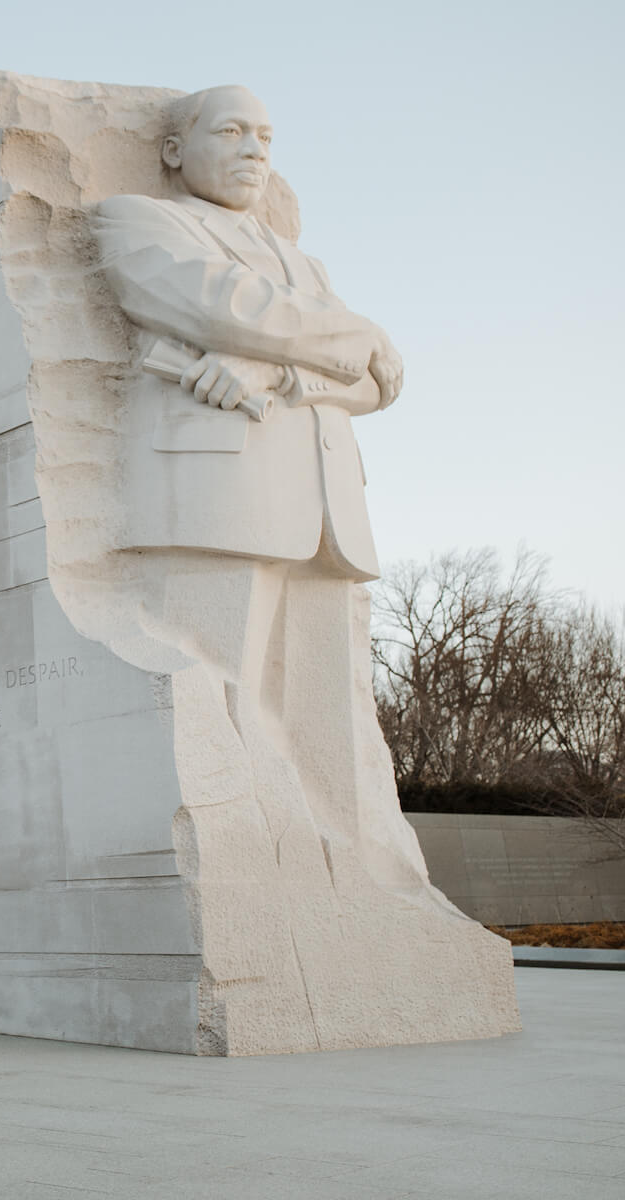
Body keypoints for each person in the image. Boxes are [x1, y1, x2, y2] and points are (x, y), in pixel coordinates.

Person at [85, 83, 427, 886]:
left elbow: (382, 383)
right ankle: (246, 879)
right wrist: (358, 334)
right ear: (174, 147)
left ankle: (347, 881)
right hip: (216, 499)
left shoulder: (305, 265)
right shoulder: (139, 219)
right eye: (233, 131)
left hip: (324, 510)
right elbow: (215, 303)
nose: (254, 152)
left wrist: (282, 368)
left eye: (266, 139)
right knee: (218, 710)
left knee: (327, 732)